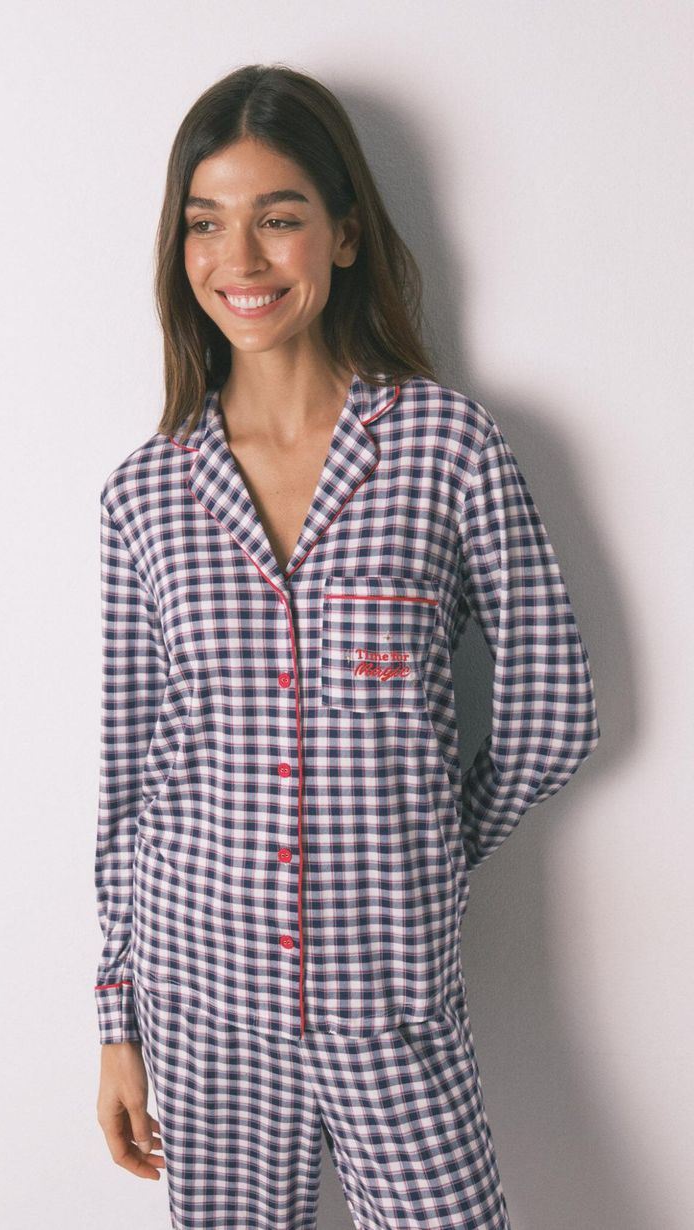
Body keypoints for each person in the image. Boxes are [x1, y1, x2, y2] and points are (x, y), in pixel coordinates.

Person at [93, 62, 601, 1230]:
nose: (240, 258)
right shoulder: (144, 495)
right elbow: (133, 781)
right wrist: (117, 1019)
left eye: (277, 217)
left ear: (345, 233)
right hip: (201, 1003)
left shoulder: (446, 449)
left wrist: (424, 845)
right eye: (204, 223)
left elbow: (552, 710)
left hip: (390, 1002)